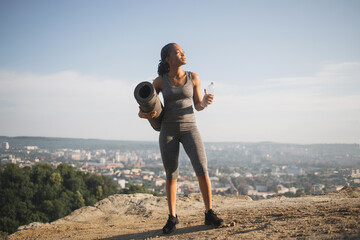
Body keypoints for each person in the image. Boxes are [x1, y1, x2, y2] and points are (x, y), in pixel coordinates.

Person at [138, 43, 223, 234]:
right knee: (171, 174)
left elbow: (198, 105)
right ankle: (172, 217)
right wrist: (146, 115)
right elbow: (144, 106)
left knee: (202, 168)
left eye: (183, 51)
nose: (183, 54)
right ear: (167, 59)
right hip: (168, 129)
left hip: (190, 127)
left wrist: (205, 102)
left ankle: (209, 213)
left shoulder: (194, 77)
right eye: (178, 52)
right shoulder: (160, 82)